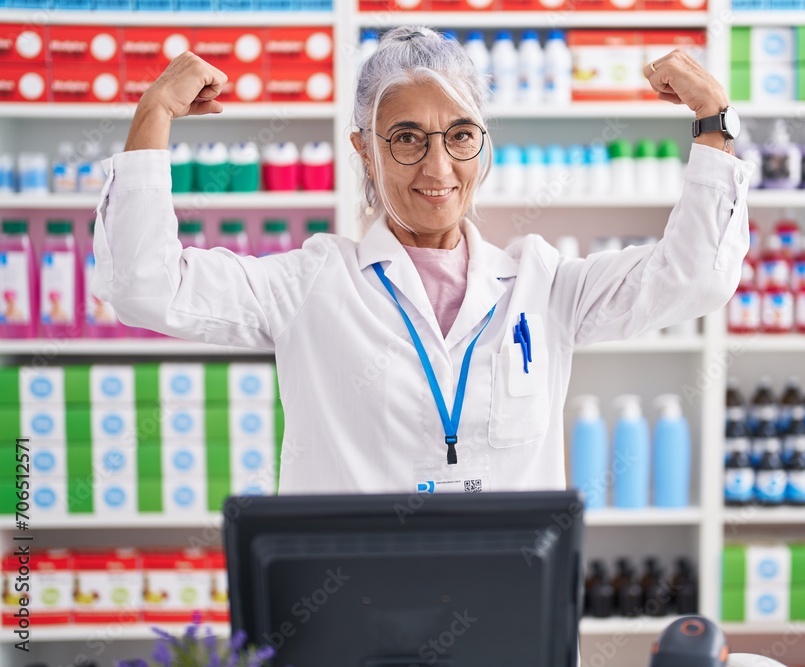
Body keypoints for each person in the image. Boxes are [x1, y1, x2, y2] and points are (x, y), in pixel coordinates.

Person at [94, 26, 752, 496]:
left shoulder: (544, 284)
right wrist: (155, 113)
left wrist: (713, 121)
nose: (438, 168)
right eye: (406, 138)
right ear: (364, 148)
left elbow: (694, 276)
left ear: (482, 142)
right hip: (351, 627)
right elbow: (144, 286)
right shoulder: (307, 284)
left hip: (511, 623)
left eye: (460, 135)